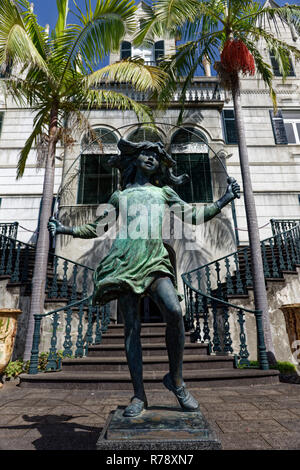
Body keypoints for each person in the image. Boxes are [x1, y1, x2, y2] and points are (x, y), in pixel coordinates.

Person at [48, 138, 240, 417]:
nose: (150, 158)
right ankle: (139, 395)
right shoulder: (120, 197)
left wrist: (224, 199)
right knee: (131, 330)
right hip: (124, 264)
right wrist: (66, 230)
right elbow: (96, 228)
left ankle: (176, 381)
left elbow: (194, 216)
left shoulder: (164, 193)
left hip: (155, 261)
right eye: (145, 153)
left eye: (155, 155)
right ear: (134, 159)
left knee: (174, 312)